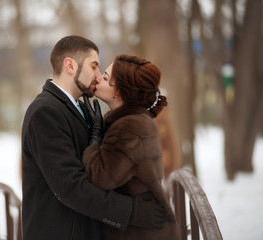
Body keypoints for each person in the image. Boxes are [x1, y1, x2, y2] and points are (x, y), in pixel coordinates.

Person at [21, 36, 166, 240]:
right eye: (94, 66)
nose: (98, 75)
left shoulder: (76, 107)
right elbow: (70, 187)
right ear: (70, 65)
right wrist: (131, 211)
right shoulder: (45, 112)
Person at [82, 54, 180, 240]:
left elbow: (100, 177)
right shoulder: (132, 121)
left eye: (104, 77)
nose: (97, 78)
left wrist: (94, 135)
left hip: (142, 233)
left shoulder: (130, 127)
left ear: (118, 92)